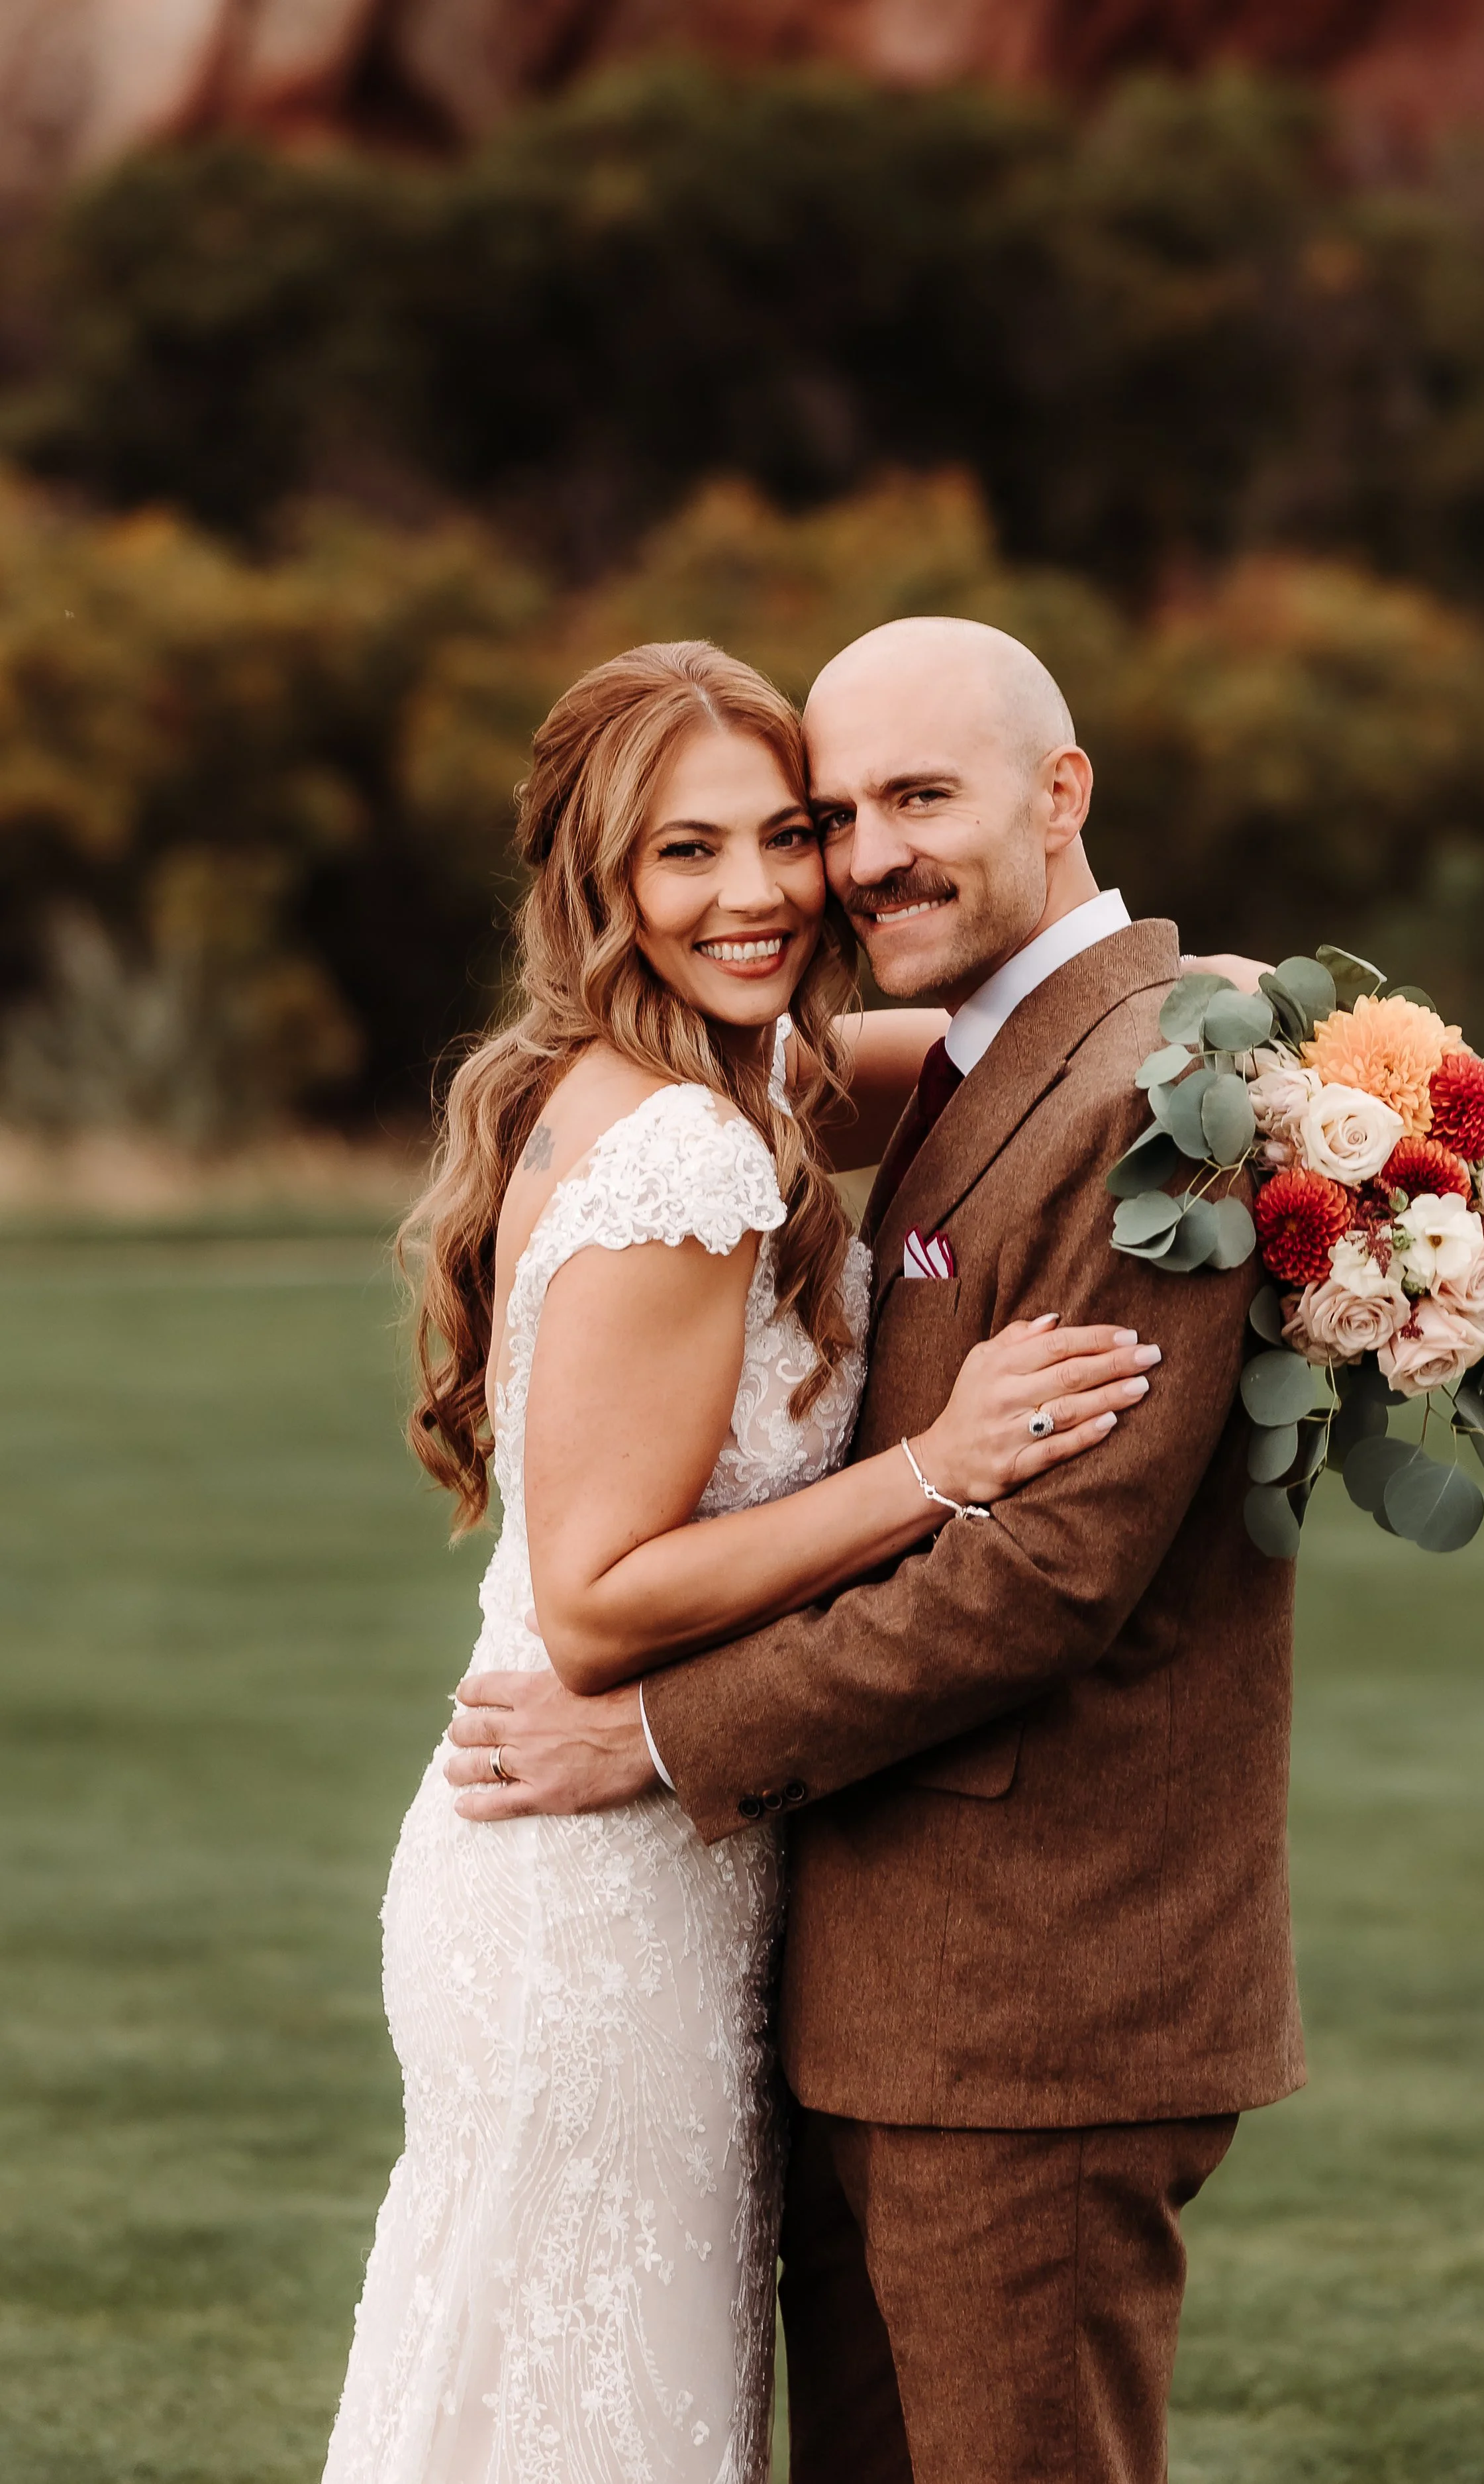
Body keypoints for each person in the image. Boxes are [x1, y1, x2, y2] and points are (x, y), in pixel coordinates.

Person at [448, 617, 1304, 2484]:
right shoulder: (862, 1075)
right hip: (829, 1955)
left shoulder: (1153, 1100)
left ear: (1059, 791)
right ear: (600, 882)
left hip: (1027, 1994)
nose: (835, 865)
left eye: (906, 799)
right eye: (827, 814)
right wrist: (924, 1463)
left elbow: (1044, 1578)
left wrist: (664, 1740)